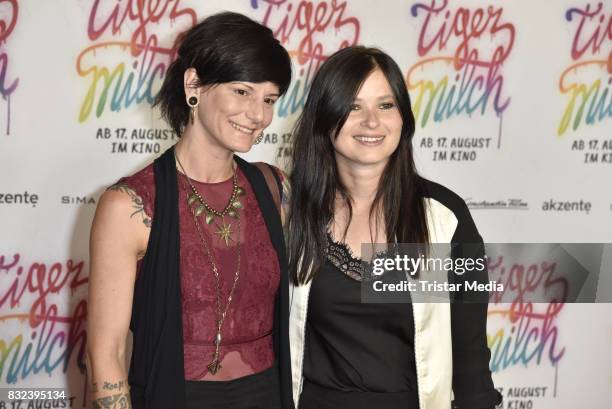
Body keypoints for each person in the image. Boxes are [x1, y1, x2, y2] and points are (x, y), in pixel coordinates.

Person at [87, 12, 293, 409]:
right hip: (175, 396)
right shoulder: (130, 205)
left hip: (269, 396)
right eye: (242, 92)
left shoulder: (274, 187)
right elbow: (106, 353)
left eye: (269, 99)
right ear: (193, 84)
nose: (259, 115)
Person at [286, 46, 502, 409]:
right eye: (353, 106)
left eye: (386, 105)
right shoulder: (291, 212)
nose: (372, 122)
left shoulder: (442, 218)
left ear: (404, 117)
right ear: (324, 116)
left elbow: (470, 357)